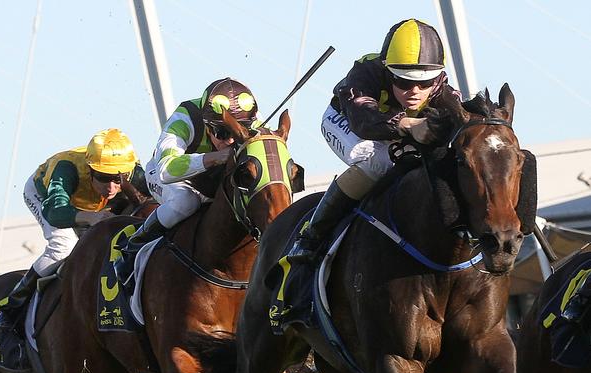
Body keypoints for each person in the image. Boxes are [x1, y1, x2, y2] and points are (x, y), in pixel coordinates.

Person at [288, 18, 458, 263]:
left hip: (394, 129)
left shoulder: (443, 89)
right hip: (347, 121)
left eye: (425, 83)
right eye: (404, 82)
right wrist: (407, 124)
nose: (415, 92)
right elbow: (362, 119)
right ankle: (311, 236)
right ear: (387, 70)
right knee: (376, 160)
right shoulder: (366, 72)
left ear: (437, 78)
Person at [0, 128, 145, 332]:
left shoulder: (133, 171)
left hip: (92, 205)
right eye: (102, 177)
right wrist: (90, 217)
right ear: (90, 169)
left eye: (118, 179)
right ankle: (11, 308)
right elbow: (54, 212)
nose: (111, 187)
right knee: (63, 246)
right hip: (47, 197)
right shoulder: (67, 169)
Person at [114, 77, 259, 286]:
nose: (229, 141)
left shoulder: (252, 117)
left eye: (236, 133)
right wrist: (213, 158)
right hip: (168, 175)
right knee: (185, 202)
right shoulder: (184, 118)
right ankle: (135, 245)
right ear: (207, 125)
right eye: (222, 132)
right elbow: (165, 169)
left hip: (211, 177)